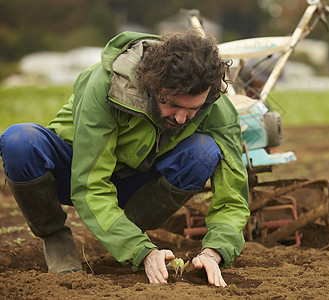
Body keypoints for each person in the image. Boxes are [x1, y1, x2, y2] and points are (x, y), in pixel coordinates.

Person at [0, 29, 250, 287]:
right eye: (173, 104)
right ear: (153, 84)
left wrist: (216, 251)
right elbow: (90, 184)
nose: (181, 118)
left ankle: (129, 227)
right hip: (76, 170)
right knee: (20, 141)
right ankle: (55, 237)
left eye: (193, 109)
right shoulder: (106, 85)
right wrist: (141, 251)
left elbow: (233, 196)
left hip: (140, 182)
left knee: (204, 151)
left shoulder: (217, 107)